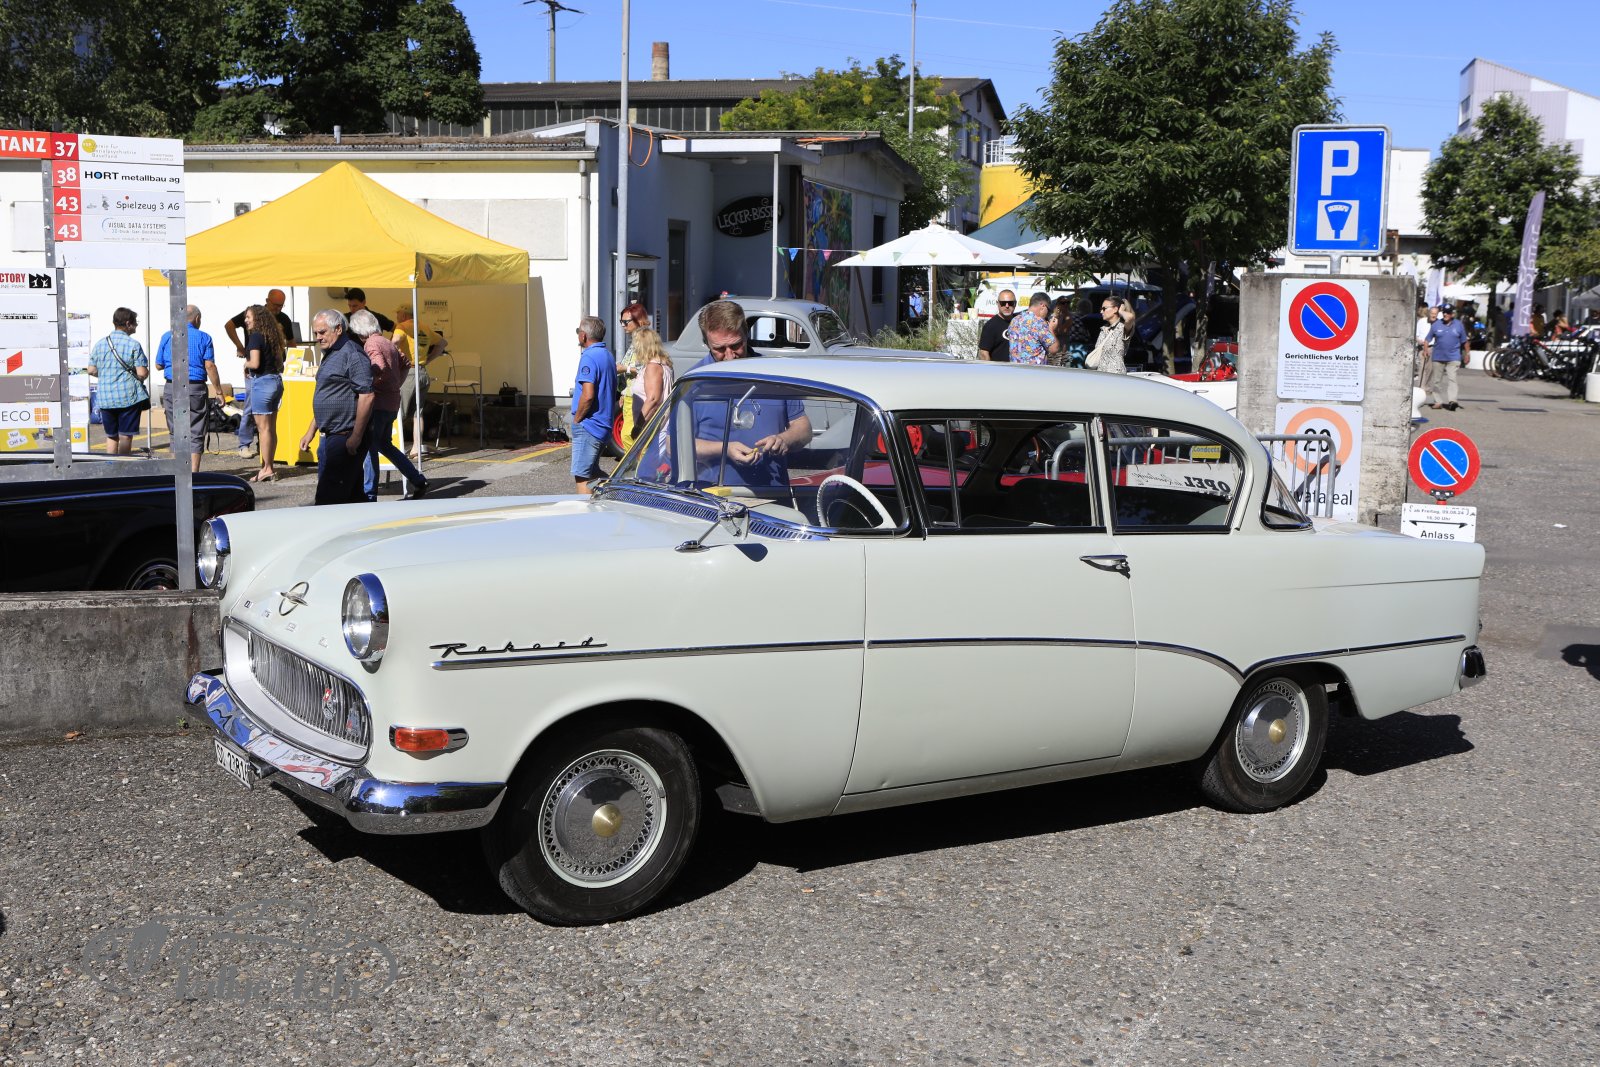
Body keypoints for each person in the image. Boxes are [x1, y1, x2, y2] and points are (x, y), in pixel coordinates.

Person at [690, 299, 811, 488]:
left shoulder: (774, 375)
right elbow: (674, 445)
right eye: (719, 349)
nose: (729, 356)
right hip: (713, 497)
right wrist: (724, 449)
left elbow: (804, 428)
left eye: (736, 345)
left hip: (772, 495)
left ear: (746, 334)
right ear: (707, 343)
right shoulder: (695, 382)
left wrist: (783, 440)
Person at [348, 310, 429, 501]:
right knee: (385, 445)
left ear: (360, 330)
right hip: (391, 402)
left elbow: (379, 366)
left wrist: (369, 384)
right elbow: (406, 363)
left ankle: (370, 494)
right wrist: (396, 384)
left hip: (378, 403)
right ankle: (418, 480)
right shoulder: (386, 341)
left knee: (370, 447)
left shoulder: (371, 343)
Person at [298, 310, 375, 505]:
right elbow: (329, 395)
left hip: (344, 437)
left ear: (338, 329)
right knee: (351, 498)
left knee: (328, 499)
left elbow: (367, 396)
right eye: (315, 333)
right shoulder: (331, 353)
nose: (318, 337)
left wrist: (356, 437)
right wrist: (310, 431)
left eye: (322, 332)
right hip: (331, 435)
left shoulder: (353, 354)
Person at [225, 289, 294, 458]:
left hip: (272, 370)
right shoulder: (254, 314)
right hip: (256, 372)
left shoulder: (283, 319)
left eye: (281, 305)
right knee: (252, 407)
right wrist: (239, 346)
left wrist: (292, 361)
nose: (278, 308)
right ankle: (245, 444)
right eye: (275, 305)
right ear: (267, 301)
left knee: (268, 419)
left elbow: (292, 343)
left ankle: (262, 448)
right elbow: (229, 325)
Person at [155, 305, 224, 473]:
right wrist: (219, 391)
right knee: (196, 429)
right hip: (195, 387)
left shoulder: (167, 336)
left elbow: (158, 365)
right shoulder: (204, 337)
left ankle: (177, 473)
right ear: (197, 318)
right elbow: (210, 366)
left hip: (172, 386)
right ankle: (193, 474)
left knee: (175, 431)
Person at [87, 307, 149, 455]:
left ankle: (111, 465)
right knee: (125, 436)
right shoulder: (133, 344)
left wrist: (106, 375)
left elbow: (91, 370)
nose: (136, 325)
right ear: (128, 323)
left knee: (111, 436)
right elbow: (142, 373)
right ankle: (123, 465)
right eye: (135, 322)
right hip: (128, 398)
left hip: (105, 398)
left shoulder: (100, 344)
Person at [570, 315, 617, 495]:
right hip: (603, 424)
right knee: (593, 473)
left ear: (583, 335)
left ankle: (586, 512)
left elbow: (588, 395)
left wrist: (577, 419)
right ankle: (619, 494)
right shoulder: (607, 355)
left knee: (582, 477)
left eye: (578, 331)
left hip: (589, 425)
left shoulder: (589, 357)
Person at [241, 304, 287, 482]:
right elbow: (281, 362)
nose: (246, 320)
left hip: (262, 383)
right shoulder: (273, 335)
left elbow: (255, 363)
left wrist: (245, 364)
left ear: (258, 318)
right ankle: (269, 466)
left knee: (264, 429)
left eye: (248, 317)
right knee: (270, 428)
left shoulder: (255, 337)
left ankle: (266, 469)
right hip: (275, 381)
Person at [393, 305, 445, 456]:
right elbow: (443, 343)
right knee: (418, 414)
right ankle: (416, 448)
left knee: (398, 412)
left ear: (404, 315)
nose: (397, 317)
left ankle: (393, 448)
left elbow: (395, 341)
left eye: (398, 313)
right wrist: (428, 359)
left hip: (408, 373)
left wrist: (390, 357)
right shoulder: (425, 328)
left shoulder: (402, 327)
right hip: (422, 372)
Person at [617, 302, 653, 447]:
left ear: (638, 320)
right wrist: (623, 393)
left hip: (638, 396)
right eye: (621, 321)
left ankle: (640, 461)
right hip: (630, 394)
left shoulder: (644, 340)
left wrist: (624, 368)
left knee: (630, 436)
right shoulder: (636, 340)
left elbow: (646, 368)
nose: (623, 325)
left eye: (626, 322)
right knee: (629, 435)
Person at [1423, 303, 1469, 411]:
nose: (1445, 314)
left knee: (1452, 378)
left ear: (1452, 314)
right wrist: (1425, 350)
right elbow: (1427, 339)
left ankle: (1453, 401)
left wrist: (1467, 354)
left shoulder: (1459, 325)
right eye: (1444, 312)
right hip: (1438, 357)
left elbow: (1465, 341)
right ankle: (1438, 401)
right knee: (1437, 381)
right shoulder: (1436, 325)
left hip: (1454, 357)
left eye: (1448, 313)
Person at [1004, 292, 1058, 366]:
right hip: (1034, 371)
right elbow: (1054, 349)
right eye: (1048, 310)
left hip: (1015, 369)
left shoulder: (1014, 320)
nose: (1047, 314)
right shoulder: (1039, 323)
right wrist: (1051, 329)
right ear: (1042, 306)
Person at [1085, 295, 1135, 375]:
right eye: (1101, 309)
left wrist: (1121, 311)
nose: (1101, 312)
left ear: (1115, 309)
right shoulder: (1104, 329)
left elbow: (1130, 317)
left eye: (1104, 308)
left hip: (1116, 376)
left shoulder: (1122, 328)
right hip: (1101, 375)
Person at [634, 328, 674, 424]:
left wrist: (638, 426)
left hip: (652, 426)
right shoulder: (664, 363)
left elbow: (653, 400)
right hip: (657, 425)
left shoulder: (653, 367)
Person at [978, 289, 1016, 362]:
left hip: (1018, 367)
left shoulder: (1020, 321)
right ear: (997, 303)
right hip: (999, 368)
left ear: (1015, 304)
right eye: (1003, 303)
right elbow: (983, 353)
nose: (1007, 306)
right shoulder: (990, 326)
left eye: (1010, 303)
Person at [1048, 297, 1074, 367]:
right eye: (1063, 303)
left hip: (1065, 349)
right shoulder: (1052, 316)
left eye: (1068, 302)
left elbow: (1062, 330)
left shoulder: (1069, 317)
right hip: (1053, 348)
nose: (1066, 305)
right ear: (1058, 304)